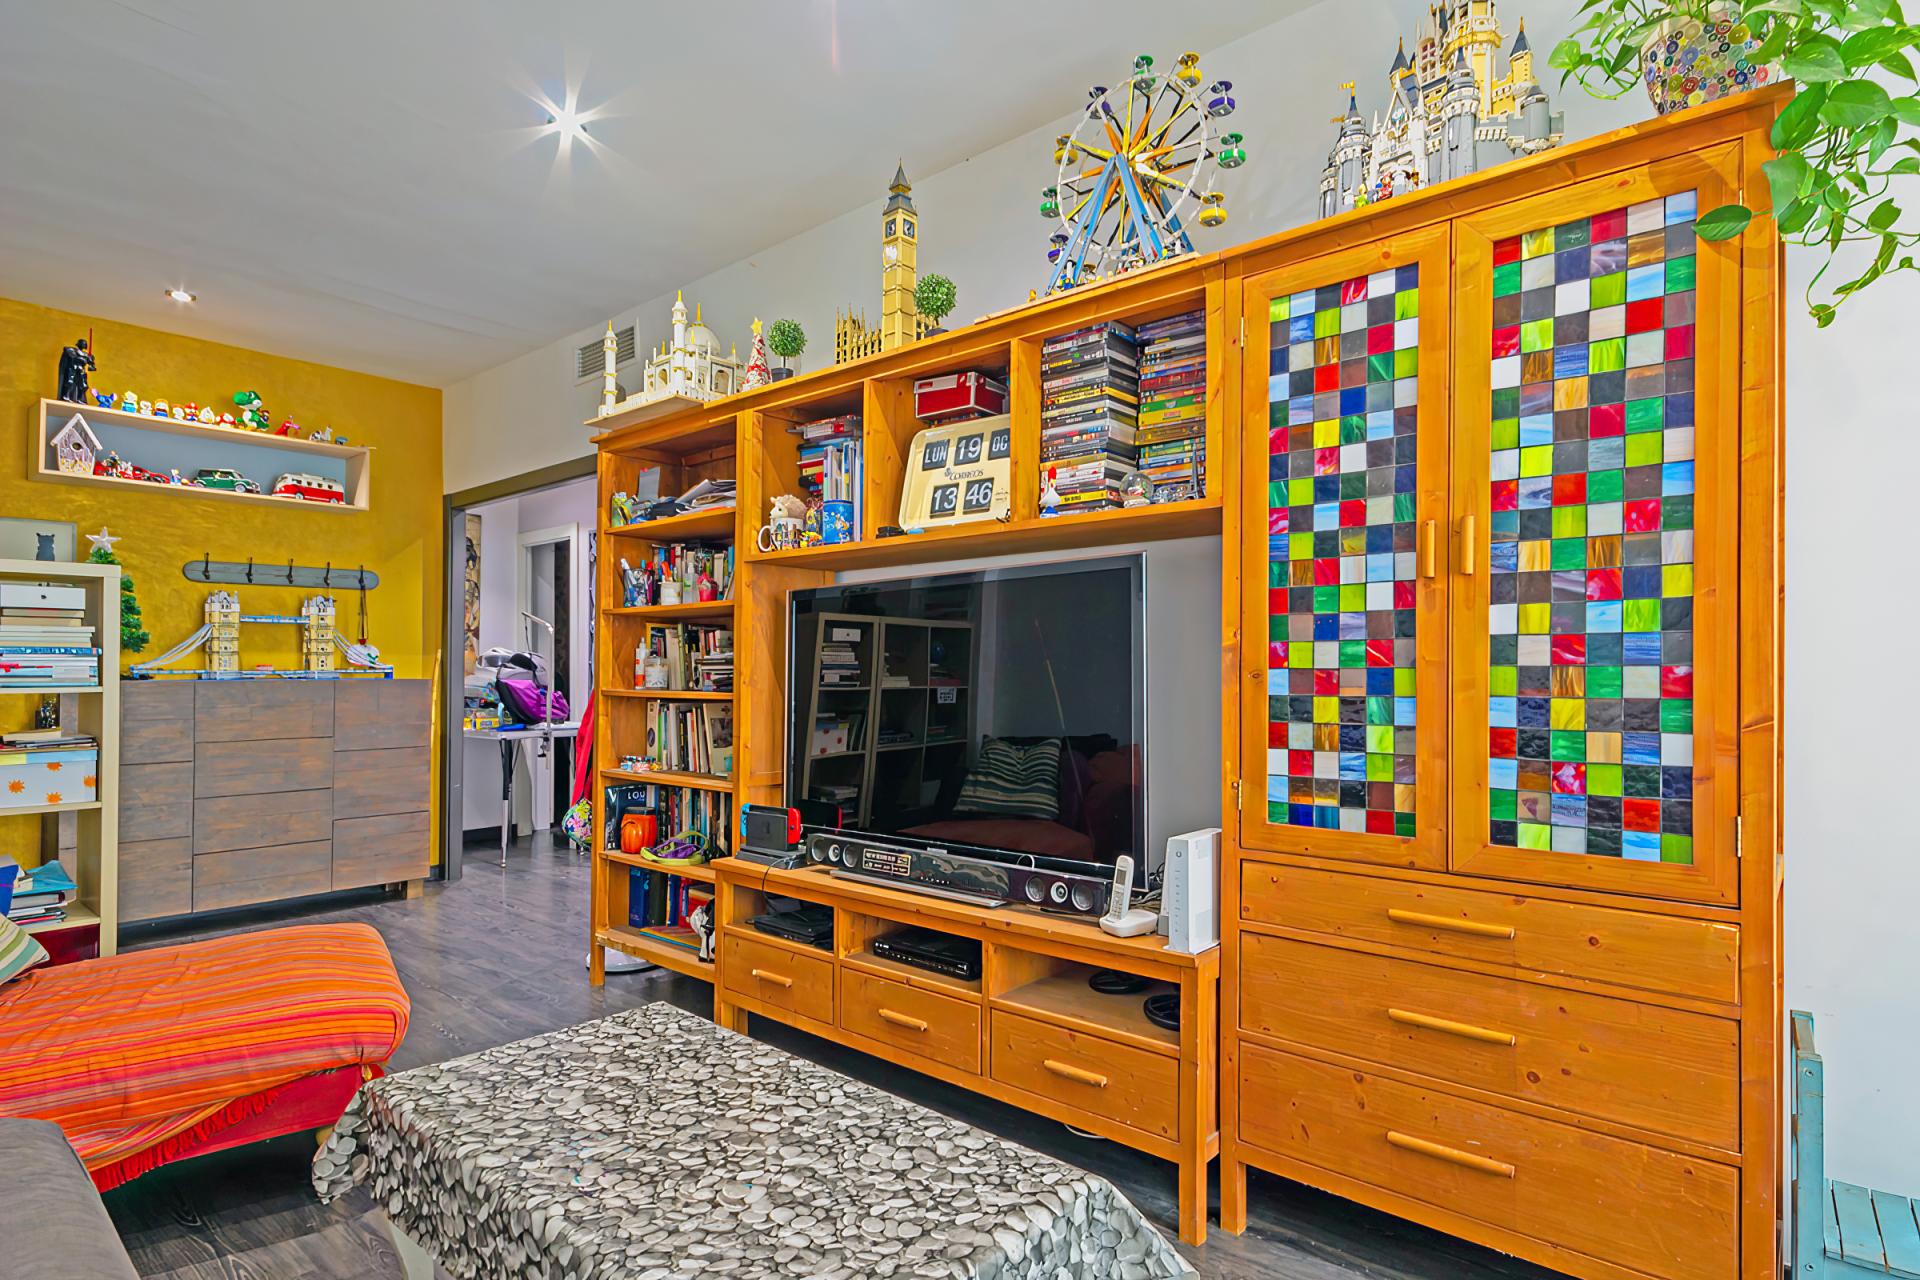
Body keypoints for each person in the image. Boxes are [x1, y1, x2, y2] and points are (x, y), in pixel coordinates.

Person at [57, 338, 94, 403]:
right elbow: (71, 356)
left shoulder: (86, 355)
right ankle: (66, 396)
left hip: (81, 370)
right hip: (73, 368)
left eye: (84, 344)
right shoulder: (72, 350)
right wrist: (82, 359)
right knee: (69, 382)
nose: (82, 345)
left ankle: (80, 399)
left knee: (83, 385)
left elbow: (91, 365)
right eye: (82, 343)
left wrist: (91, 365)